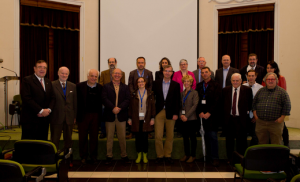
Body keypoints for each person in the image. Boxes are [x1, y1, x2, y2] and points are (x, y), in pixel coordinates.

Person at [20, 60, 55, 140]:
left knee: (42, 144)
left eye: (44, 67)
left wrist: (48, 110)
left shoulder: (48, 82)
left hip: (44, 119)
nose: (42, 69)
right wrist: (40, 110)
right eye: (40, 67)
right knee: (29, 146)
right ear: (34, 69)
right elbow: (26, 98)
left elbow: (53, 98)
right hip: (30, 119)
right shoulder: (27, 80)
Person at [253, 72, 291, 145]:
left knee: (276, 144)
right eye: (268, 79)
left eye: (272, 79)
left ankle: (275, 157)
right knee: (262, 144)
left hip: (275, 124)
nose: (270, 81)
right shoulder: (260, 91)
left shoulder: (282, 92)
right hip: (261, 123)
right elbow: (254, 104)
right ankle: (263, 156)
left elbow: (287, 106)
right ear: (265, 81)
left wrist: (281, 118)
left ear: (276, 81)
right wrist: (255, 115)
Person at [222, 73, 253, 162]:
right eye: (233, 81)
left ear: (240, 81)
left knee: (241, 141)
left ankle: (241, 159)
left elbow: (250, 104)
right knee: (229, 141)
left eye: (237, 80)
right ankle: (230, 159)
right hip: (229, 119)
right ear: (231, 81)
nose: (235, 82)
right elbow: (223, 105)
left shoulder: (247, 90)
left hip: (241, 120)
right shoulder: (225, 90)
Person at [153, 65, 180, 164]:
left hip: (171, 113)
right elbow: (152, 99)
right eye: (166, 71)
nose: (167, 72)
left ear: (172, 73)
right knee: (158, 136)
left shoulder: (176, 85)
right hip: (159, 112)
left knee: (170, 136)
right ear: (162, 72)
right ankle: (160, 155)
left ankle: (167, 155)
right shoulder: (156, 83)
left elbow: (177, 101)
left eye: (169, 71)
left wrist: (176, 113)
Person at [102, 68, 131, 164]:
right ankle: (109, 156)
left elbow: (127, 99)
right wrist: (113, 108)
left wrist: (119, 108)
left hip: (121, 115)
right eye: (115, 73)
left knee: (122, 137)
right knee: (109, 137)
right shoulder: (106, 86)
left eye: (119, 74)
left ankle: (124, 155)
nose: (117, 75)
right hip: (109, 114)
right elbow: (104, 99)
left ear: (121, 76)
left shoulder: (126, 87)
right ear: (112, 75)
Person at [196, 67, 221, 166]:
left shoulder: (216, 85)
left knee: (213, 137)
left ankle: (215, 157)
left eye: (206, 72)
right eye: (202, 73)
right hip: (202, 116)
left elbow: (217, 101)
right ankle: (207, 156)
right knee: (205, 136)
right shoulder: (198, 86)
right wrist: (200, 112)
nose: (204, 74)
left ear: (210, 73)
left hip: (212, 116)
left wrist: (209, 113)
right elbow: (197, 101)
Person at [76, 69, 102, 164]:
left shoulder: (100, 87)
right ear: (87, 76)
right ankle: (83, 156)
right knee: (82, 137)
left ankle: (93, 156)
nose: (94, 78)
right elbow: (76, 102)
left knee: (94, 137)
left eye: (96, 76)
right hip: (83, 115)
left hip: (95, 115)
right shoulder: (79, 86)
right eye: (92, 76)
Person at [128, 77, 155, 164]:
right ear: (137, 84)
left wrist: (152, 118)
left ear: (145, 82)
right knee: (138, 138)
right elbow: (130, 107)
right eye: (139, 82)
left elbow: (153, 106)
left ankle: (145, 155)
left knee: (145, 138)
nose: (140, 83)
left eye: (142, 81)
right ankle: (139, 154)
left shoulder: (150, 93)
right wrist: (129, 118)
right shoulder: (133, 93)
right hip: (136, 119)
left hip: (146, 119)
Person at [261, 61, 289, 146]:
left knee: (281, 127)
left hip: (277, 106)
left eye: (271, 68)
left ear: (275, 68)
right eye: (268, 68)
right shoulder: (264, 79)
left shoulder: (281, 78)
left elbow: (283, 93)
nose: (269, 69)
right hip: (267, 106)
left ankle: (286, 144)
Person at [50, 67, 77, 151]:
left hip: (69, 117)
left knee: (68, 139)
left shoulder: (73, 86)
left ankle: (67, 156)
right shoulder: (52, 85)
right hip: (56, 117)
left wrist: (74, 116)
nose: (64, 75)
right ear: (58, 73)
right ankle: (54, 157)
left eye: (66, 74)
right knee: (55, 139)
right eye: (62, 73)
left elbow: (75, 102)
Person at [98, 57, 125, 139]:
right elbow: (101, 85)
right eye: (110, 62)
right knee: (104, 115)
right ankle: (103, 132)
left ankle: (117, 132)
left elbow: (122, 85)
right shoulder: (103, 73)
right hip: (106, 99)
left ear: (116, 62)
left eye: (113, 62)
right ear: (108, 63)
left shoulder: (121, 73)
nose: (111, 63)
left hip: (117, 98)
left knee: (118, 116)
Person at [179, 75, 199, 163]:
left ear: (191, 83)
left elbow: (195, 106)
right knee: (185, 138)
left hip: (191, 119)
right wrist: (181, 115)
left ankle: (193, 155)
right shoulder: (182, 93)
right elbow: (179, 106)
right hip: (183, 119)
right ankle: (186, 154)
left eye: (188, 81)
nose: (186, 83)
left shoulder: (195, 93)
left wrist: (186, 116)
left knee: (193, 138)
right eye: (185, 81)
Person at [242, 70, 263, 146]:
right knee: (243, 136)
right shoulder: (242, 86)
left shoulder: (260, 88)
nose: (251, 77)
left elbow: (260, 103)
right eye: (249, 76)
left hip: (256, 116)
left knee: (255, 136)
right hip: (244, 116)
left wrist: (255, 115)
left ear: (256, 76)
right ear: (247, 76)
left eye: (252, 76)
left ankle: (253, 153)